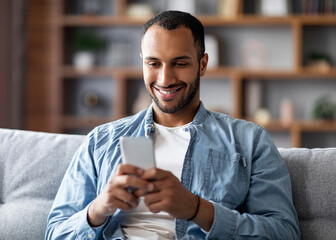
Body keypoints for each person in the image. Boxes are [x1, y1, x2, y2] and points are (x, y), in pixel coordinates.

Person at [46, 11, 300, 240]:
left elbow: (284, 233)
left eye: (180, 63)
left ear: (202, 64)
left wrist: (196, 209)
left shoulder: (250, 141)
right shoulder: (100, 140)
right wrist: (99, 209)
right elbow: (55, 234)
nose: (165, 79)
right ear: (142, 63)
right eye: (153, 63)